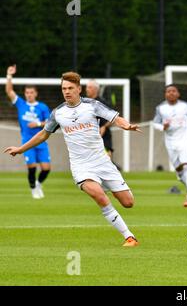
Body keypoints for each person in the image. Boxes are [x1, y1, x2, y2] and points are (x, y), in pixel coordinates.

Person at [4, 71, 141, 246]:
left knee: (128, 203)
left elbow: (116, 118)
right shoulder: (58, 113)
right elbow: (43, 134)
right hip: (80, 166)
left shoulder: (92, 105)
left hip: (102, 162)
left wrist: (127, 126)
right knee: (99, 196)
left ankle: (109, 187)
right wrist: (21, 149)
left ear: (79, 89)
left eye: (70, 88)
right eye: (63, 88)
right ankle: (129, 236)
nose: (66, 91)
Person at [5, 65, 51, 199]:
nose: (29, 94)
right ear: (25, 94)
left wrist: (37, 123)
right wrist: (9, 75)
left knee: (46, 168)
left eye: (31, 92)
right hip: (27, 141)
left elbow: (49, 123)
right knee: (32, 167)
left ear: (35, 93)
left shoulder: (42, 107)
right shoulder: (21, 104)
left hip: (41, 141)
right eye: (27, 92)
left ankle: (38, 183)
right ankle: (33, 189)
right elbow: (9, 91)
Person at [153, 84, 187, 207]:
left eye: (174, 91)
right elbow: (155, 123)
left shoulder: (185, 105)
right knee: (179, 171)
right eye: (168, 91)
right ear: (165, 94)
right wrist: (163, 127)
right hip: (170, 142)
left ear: (178, 94)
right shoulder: (161, 108)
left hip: (186, 140)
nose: (171, 93)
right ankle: (183, 179)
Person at [85, 79, 121, 170]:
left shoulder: (103, 103)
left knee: (107, 163)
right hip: (89, 136)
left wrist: (104, 126)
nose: (86, 89)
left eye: (89, 87)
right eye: (86, 87)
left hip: (104, 137)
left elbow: (114, 118)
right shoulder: (85, 103)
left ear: (95, 89)